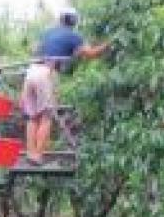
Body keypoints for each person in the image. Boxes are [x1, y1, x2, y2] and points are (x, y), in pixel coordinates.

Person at [20, 8, 109, 165]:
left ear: (60, 19)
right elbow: (90, 54)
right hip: (46, 73)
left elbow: (35, 50)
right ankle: (37, 155)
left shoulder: (47, 33)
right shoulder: (74, 37)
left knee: (32, 117)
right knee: (46, 117)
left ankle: (31, 152)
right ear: (74, 21)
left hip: (31, 71)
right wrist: (107, 45)